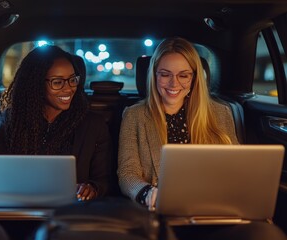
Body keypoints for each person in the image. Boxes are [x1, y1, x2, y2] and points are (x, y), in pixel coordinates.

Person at [117, 37, 287, 240]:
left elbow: (236, 169)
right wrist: (146, 193)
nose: (174, 83)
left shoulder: (220, 113)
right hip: (161, 215)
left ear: (195, 77)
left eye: (184, 75)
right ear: (154, 75)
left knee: (267, 234)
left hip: (214, 211)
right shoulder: (134, 115)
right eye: (165, 74)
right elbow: (127, 172)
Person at [0, 45, 112, 208]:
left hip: (69, 216)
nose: (69, 88)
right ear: (35, 84)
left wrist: (92, 188)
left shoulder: (93, 124)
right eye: (57, 82)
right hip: (15, 210)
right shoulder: (11, 120)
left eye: (72, 79)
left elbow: (103, 181)